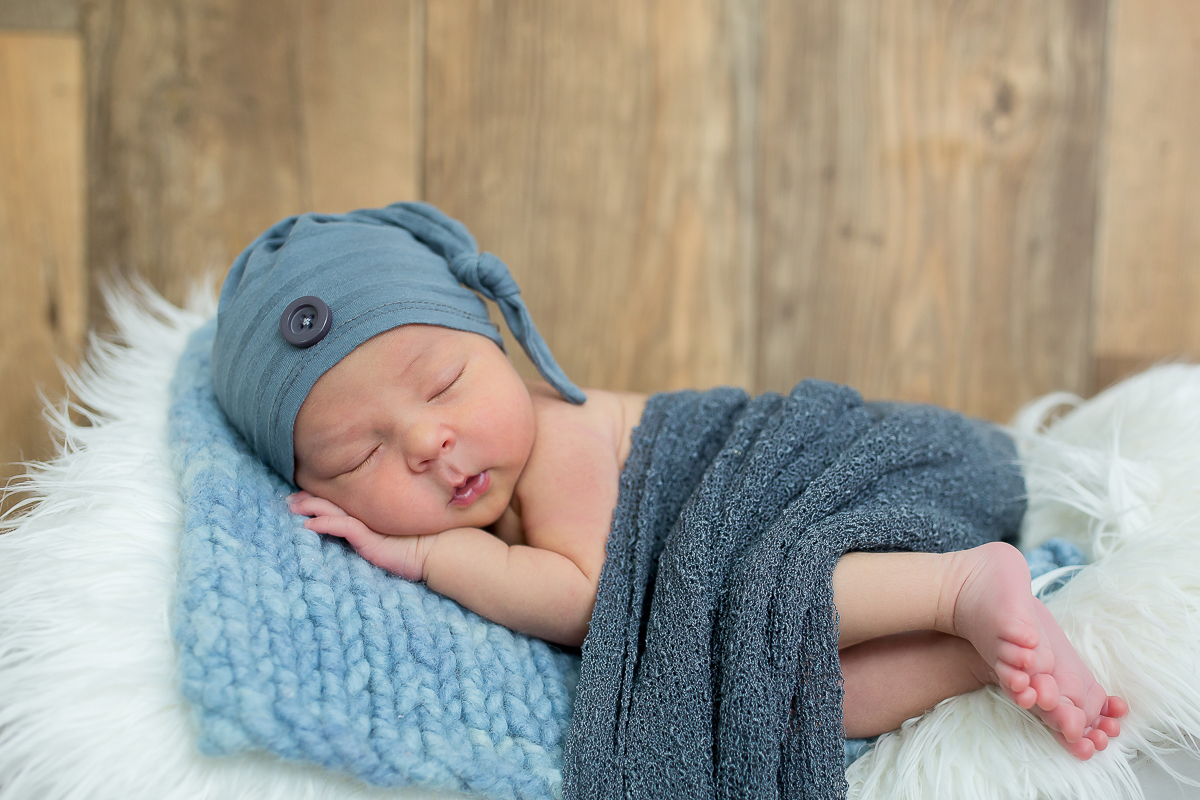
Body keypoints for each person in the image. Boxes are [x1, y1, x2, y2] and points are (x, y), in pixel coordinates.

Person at [212, 202, 1126, 765]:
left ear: (499, 340)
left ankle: (960, 586)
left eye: (444, 383)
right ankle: (983, 656)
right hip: (852, 555)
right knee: (777, 704)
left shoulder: (561, 436)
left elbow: (582, 598)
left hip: (865, 473)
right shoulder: (475, 460)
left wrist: (424, 556)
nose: (425, 442)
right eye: (358, 458)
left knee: (750, 596)